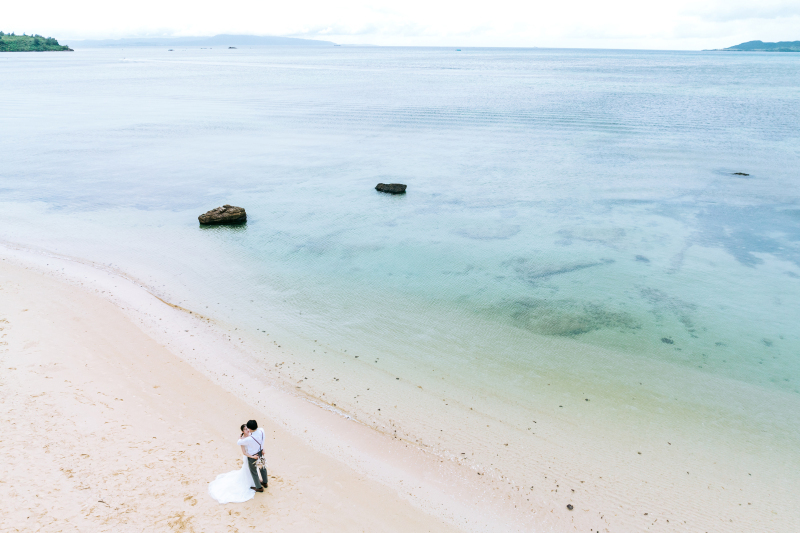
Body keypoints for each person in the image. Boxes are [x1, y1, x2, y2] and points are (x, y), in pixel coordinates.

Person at [207, 424, 258, 503]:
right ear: (242, 431)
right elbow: (244, 452)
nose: (247, 430)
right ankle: (251, 483)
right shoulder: (242, 440)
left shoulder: (251, 435)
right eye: (245, 429)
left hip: (254, 456)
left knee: (254, 468)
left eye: (247, 428)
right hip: (248, 457)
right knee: (248, 469)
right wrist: (252, 456)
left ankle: (255, 481)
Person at [238, 419, 268, 491]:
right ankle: (265, 482)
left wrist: (240, 437)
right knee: (263, 468)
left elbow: (239, 442)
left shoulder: (249, 439)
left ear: (250, 429)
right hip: (261, 452)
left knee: (253, 471)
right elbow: (262, 439)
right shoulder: (262, 430)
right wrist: (262, 448)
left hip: (253, 456)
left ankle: (259, 487)